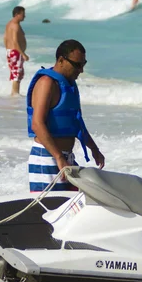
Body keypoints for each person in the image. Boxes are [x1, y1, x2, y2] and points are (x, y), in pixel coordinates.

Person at [27, 39, 105, 192]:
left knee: (77, 203)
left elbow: (77, 124)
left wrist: (94, 149)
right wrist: (58, 157)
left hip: (65, 158)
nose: (81, 70)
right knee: (51, 211)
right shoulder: (46, 83)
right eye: (77, 65)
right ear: (61, 60)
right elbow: (37, 124)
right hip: (47, 158)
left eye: (83, 64)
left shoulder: (69, 85)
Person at [4, 6, 29, 96]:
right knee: (16, 75)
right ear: (16, 14)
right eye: (23, 14)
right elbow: (15, 41)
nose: (24, 16)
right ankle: (15, 94)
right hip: (16, 52)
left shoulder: (9, 24)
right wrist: (23, 54)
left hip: (11, 52)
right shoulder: (15, 26)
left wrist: (8, 50)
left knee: (17, 74)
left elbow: (5, 38)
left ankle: (14, 93)